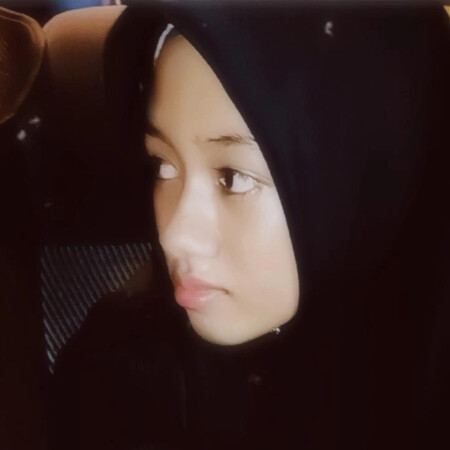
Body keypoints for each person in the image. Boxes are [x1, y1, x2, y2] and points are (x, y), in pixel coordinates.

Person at [49, 3, 450, 450]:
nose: (174, 235)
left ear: (366, 178)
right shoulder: (117, 385)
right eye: (163, 165)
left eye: (234, 178)